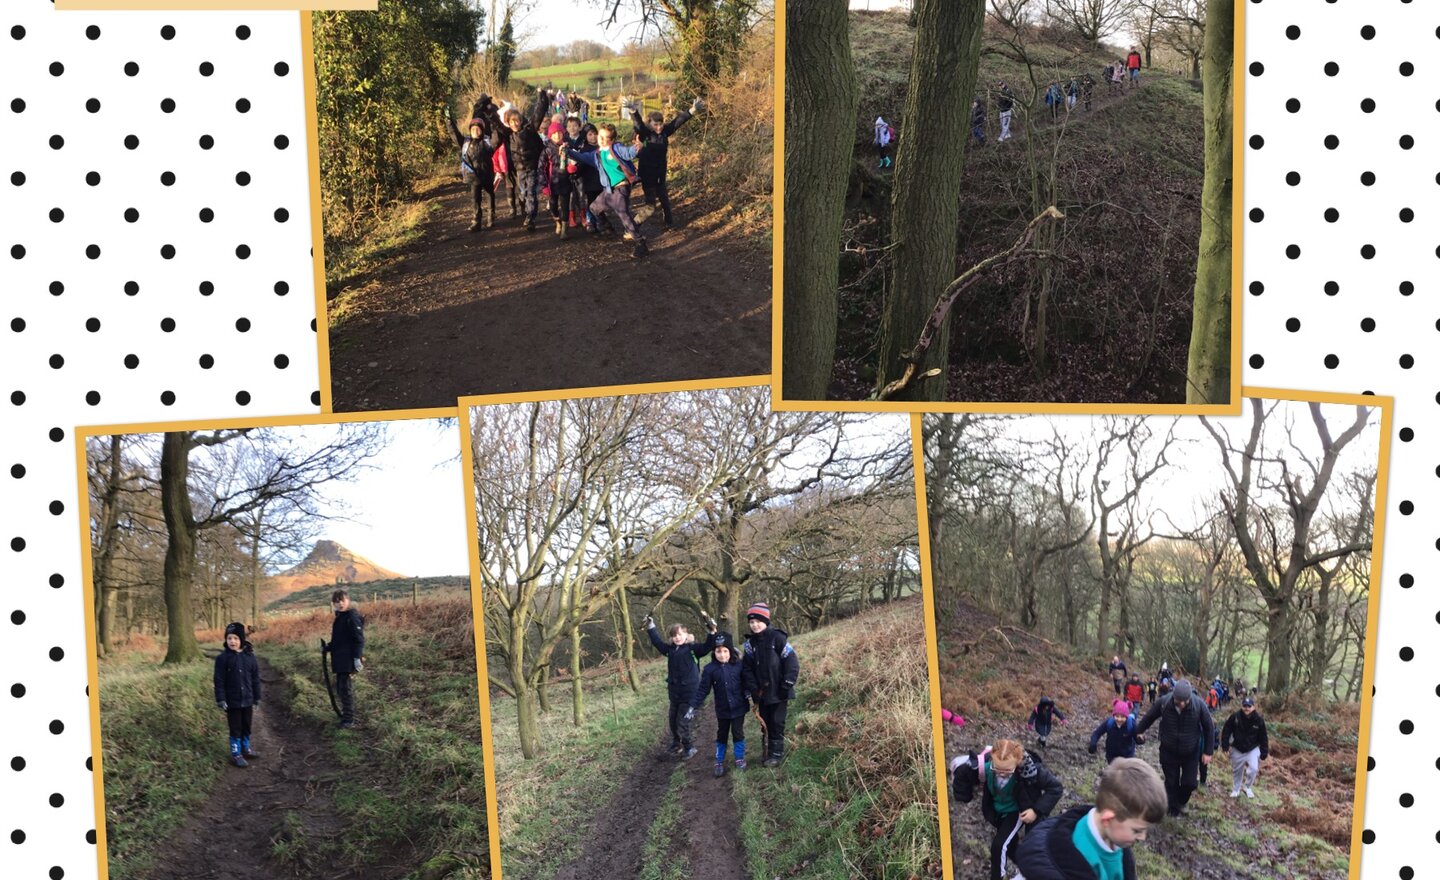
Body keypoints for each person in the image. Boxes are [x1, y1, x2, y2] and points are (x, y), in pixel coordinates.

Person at [1012, 757, 1167, 880]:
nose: (1142, 837)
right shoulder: (1075, 856)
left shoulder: (1115, 839)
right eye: (1137, 830)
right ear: (1107, 819)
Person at [952, 739, 1065, 880]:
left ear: (1017, 762)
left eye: (1007, 770)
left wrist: (1036, 810)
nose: (1001, 774)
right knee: (1010, 846)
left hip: (1017, 810)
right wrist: (963, 793)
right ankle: (1031, 868)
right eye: (997, 769)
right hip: (997, 812)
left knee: (999, 846)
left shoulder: (1032, 771)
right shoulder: (986, 768)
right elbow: (964, 773)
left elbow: (1055, 788)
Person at [562, 123, 651, 257]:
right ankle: (607, 226)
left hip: (621, 187)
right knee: (593, 208)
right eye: (601, 136)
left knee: (624, 215)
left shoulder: (616, 148)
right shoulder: (597, 154)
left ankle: (640, 243)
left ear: (612, 139)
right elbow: (582, 157)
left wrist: (637, 147)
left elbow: (628, 153)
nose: (602, 140)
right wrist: (566, 151)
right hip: (609, 189)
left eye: (606, 137)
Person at [1133, 680, 1214, 817]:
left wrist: (1208, 751)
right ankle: (1172, 807)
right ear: (1173, 696)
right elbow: (1149, 717)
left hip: (1190, 751)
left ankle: (1181, 801)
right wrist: (1139, 731)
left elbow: (1209, 728)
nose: (1181, 704)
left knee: (1190, 783)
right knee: (1171, 782)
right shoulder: (1164, 702)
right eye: (1178, 700)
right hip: (1168, 749)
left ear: (1189, 698)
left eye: (1184, 701)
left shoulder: (1199, 705)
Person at [646, 614, 717, 759]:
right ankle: (676, 744)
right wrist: (650, 626)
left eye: (680, 634)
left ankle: (689, 747)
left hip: (690, 694)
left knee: (683, 722)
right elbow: (657, 642)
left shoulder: (693, 649)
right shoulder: (670, 651)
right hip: (675, 694)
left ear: (686, 635)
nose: (677, 637)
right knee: (673, 721)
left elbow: (708, 646)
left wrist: (711, 631)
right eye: (674, 635)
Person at [741, 602, 799, 766]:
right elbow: (747, 669)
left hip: (779, 690)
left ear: (766, 620)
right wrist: (752, 688)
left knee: (777, 721)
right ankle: (767, 750)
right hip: (761, 693)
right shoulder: (749, 645)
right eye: (751, 622)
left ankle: (777, 754)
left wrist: (786, 684)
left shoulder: (777, 638)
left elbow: (792, 662)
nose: (755, 625)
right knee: (765, 721)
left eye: (758, 621)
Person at [630, 96, 703, 227]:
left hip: (660, 174)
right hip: (648, 175)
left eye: (661, 124)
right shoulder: (646, 134)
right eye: (655, 125)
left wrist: (692, 110)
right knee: (650, 207)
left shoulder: (664, 133)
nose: (659, 127)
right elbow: (639, 125)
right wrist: (633, 112)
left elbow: (678, 122)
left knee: (665, 201)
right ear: (650, 124)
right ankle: (633, 226)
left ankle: (669, 223)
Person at [487, 89, 550, 231]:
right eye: (512, 122)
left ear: (521, 121)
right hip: (519, 169)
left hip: (532, 167)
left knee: (531, 193)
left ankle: (531, 218)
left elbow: (538, 115)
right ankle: (527, 209)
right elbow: (497, 124)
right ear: (508, 123)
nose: (515, 124)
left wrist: (542, 98)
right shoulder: (508, 135)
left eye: (517, 121)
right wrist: (489, 110)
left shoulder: (530, 130)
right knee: (522, 193)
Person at [687, 631, 748, 776]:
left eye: (725, 651)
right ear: (714, 652)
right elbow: (703, 690)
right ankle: (719, 759)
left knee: (738, 732)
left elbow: (746, 681)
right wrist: (693, 706)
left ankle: (739, 757)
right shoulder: (710, 669)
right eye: (718, 651)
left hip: (739, 707)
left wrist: (748, 692)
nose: (722, 655)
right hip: (722, 709)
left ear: (731, 650)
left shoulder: (739, 665)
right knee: (722, 733)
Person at [214, 622, 262, 768]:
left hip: (247, 699)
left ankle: (245, 748)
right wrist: (221, 698)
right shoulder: (223, 659)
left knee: (246, 725)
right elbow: (219, 680)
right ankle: (236, 754)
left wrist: (257, 697)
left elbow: (255, 678)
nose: (232, 641)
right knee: (236, 727)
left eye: (235, 638)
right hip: (232, 701)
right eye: (229, 638)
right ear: (226, 640)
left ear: (241, 639)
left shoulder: (250, 657)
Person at [446, 100, 497, 233]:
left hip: (486, 174)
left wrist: (494, 120)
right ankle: (476, 221)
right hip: (473, 175)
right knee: (475, 199)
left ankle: (491, 217)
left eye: (478, 129)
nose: (475, 131)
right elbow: (454, 133)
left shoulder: (487, 142)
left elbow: (497, 139)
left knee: (490, 195)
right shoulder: (465, 142)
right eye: (473, 129)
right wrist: (448, 120)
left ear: (482, 130)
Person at [329, 589, 365, 729]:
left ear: (348, 601)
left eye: (342, 600)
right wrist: (328, 647)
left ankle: (349, 720)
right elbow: (339, 640)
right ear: (333, 604)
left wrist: (357, 658)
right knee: (340, 689)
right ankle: (345, 715)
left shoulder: (351, 616)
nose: (340, 603)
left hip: (347, 659)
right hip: (339, 659)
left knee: (345, 689)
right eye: (337, 601)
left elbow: (359, 639)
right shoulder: (340, 617)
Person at [1221, 697, 1269, 799]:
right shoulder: (1235, 717)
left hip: (1252, 748)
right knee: (1237, 771)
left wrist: (1264, 751)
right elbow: (1227, 730)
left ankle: (1247, 787)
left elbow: (1263, 736)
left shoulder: (1259, 720)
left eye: (1249, 706)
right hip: (1237, 747)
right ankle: (1236, 789)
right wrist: (1225, 745)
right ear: (1241, 706)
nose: (1246, 708)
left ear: (1253, 707)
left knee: (1254, 768)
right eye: (1244, 706)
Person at [539, 121, 576, 239]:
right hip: (552, 183)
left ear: (563, 134)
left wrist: (572, 168)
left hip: (565, 181)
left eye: (559, 133)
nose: (557, 136)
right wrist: (544, 184)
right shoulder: (546, 150)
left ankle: (564, 230)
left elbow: (574, 161)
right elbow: (541, 168)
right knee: (553, 205)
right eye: (554, 133)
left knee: (565, 205)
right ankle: (557, 221)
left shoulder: (568, 147)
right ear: (550, 135)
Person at [1088, 700, 1144, 764]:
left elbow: (1138, 738)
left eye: (1122, 717)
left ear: (1127, 717)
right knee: (1113, 773)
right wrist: (1093, 743)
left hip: (1127, 757)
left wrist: (1140, 739)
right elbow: (1097, 733)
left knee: (1126, 773)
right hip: (1112, 756)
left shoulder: (1131, 724)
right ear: (1113, 716)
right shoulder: (1109, 723)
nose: (1119, 719)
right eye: (1117, 716)